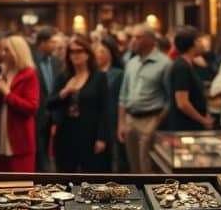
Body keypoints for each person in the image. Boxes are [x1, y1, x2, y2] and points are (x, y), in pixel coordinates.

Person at [47, 35, 111, 172]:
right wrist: (65, 92)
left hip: (90, 133)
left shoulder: (99, 77)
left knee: (91, 174)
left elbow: (104, 109)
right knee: (65, 174)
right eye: (72, 51)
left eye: (79, 51)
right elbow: (49, 104)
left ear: (87, 53)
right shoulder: (63, 76)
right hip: (65, 133)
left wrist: (102, 137)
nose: (76, 55)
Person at [116, 24, 171, 173]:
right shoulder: (131, 63)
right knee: (133, 167)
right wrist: (121, 123)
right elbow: (123, 94)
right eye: (132, 37)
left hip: (151, 118)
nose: (133, 41)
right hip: (130, 119)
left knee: (146, 166)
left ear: (151, 40)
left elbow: (170, 98)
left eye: (138, 37)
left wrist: (158, 120)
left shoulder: (164, 63)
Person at [0, 35, 40, 172]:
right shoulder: (4, 72)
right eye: (2, 50)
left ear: (18, 51)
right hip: (1, 135)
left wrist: (7, 93)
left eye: (7, 50)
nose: (2, 53)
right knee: (2, 182)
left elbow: (31, 107)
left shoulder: (29, 74)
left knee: (21, 183)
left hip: (20, 138)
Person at [167, 26, 215, 131]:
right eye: (199, 40)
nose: (202, 44)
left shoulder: (189, 65)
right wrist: (203, 120)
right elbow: (182, 103)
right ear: (192, 44)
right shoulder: (182, 67)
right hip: (185, 126)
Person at [31, 26, 62, 172]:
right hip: (38, 113)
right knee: (39, 151)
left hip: (54, 112)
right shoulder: (31, 60)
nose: (55, 45)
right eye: (52, 42)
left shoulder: (56, 61)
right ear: (42, 43)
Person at [94, 37, 127, 171]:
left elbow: (120, 99)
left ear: (110, 53)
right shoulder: (93, 74)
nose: (98, 54)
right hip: (96, 119)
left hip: (112, 118)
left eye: (102, 51)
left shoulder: (118, 74)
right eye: (97, 51)